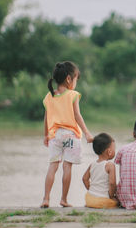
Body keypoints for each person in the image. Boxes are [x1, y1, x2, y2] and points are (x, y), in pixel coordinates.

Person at [40, 61, 93, 208]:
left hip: (55, 135)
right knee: (67, 167)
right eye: (76, 79)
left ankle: (46, 199)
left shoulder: (49, 97)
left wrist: (46, 135)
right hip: (70, 136)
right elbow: (77, 115)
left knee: (52, 166)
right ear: (69, 79)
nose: (76, 83)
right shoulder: (72, 95)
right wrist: (87, 133)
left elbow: (46, 118)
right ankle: (63, 199)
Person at [82, 133, 118, 208]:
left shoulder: (92, 164)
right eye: (114, 149)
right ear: (109, 151)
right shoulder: (110, 165)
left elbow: (84, 179)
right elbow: (112, 183)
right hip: (103, 201)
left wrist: (92, 191)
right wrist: (111, 196)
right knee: (118, 201)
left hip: (89, 199)